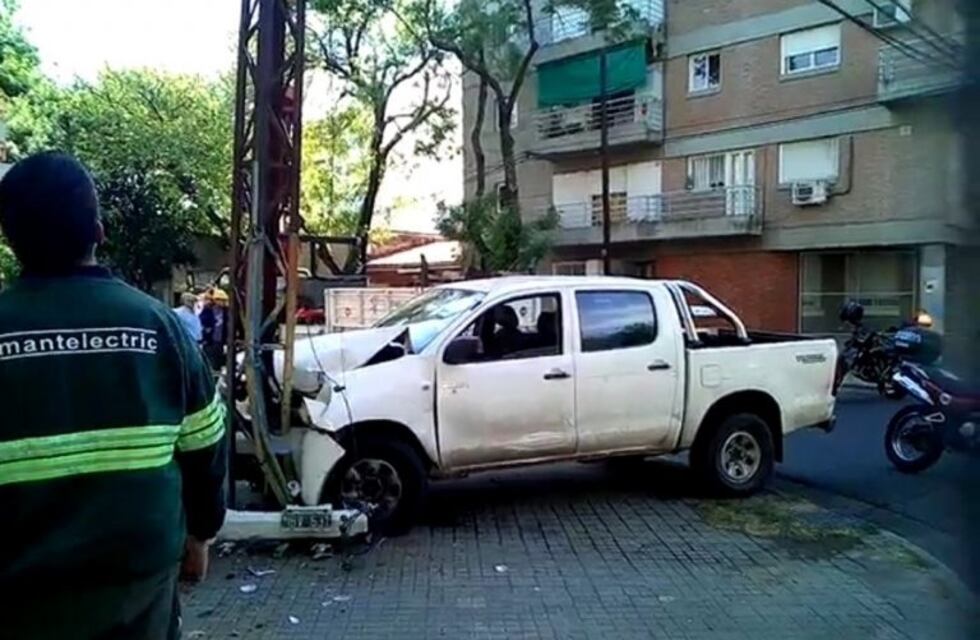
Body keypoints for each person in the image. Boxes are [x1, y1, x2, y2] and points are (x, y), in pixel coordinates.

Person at [0, 152, 227, 639]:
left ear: (10, 239)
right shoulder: (160, 328)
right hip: (139, 602)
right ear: (98, 232)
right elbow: (207, 449)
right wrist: (201, 534)